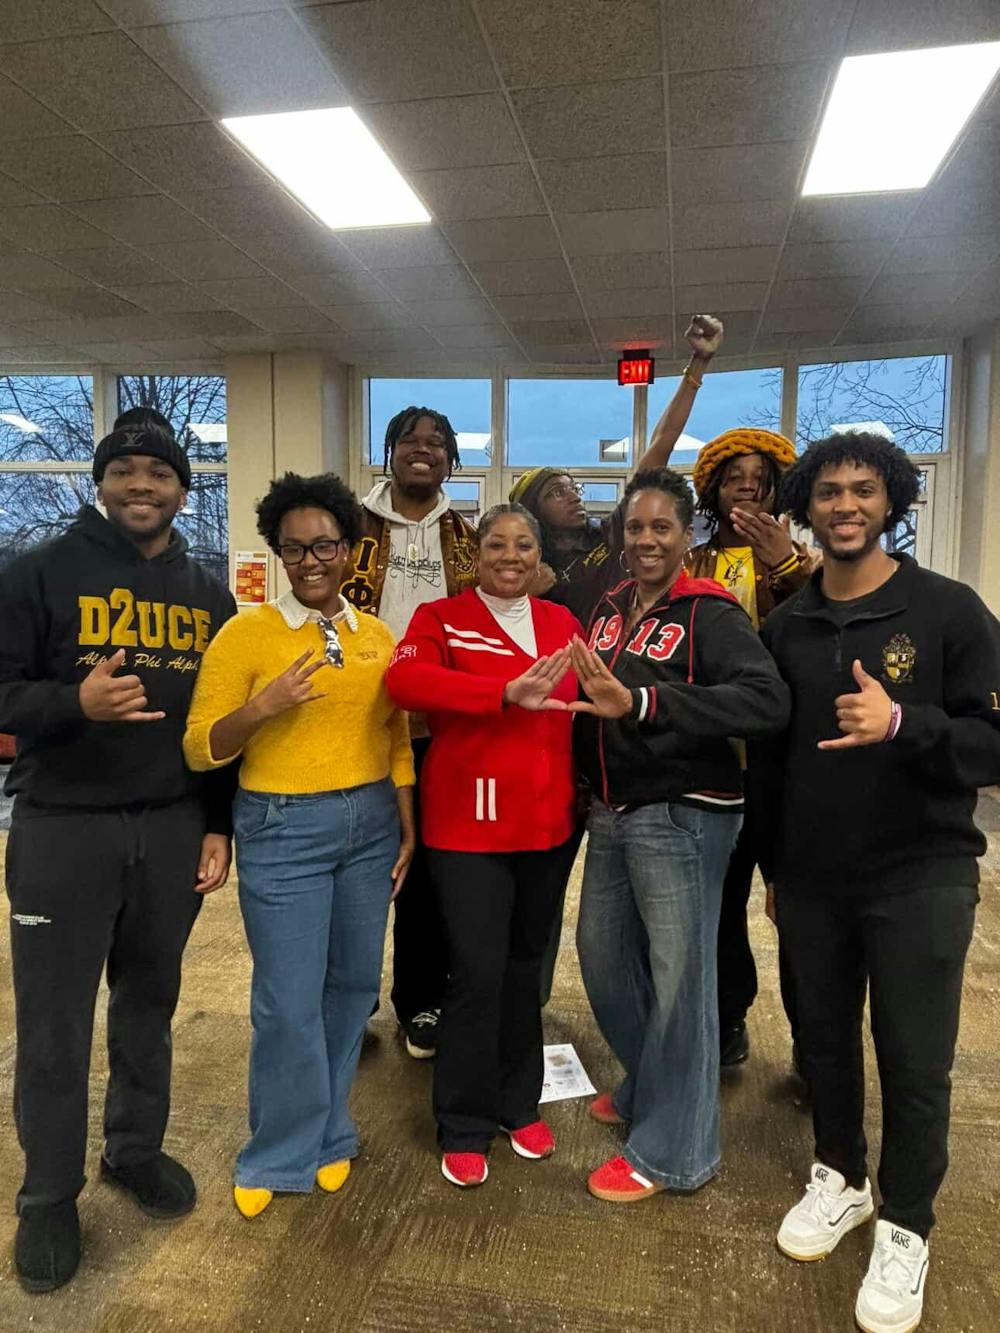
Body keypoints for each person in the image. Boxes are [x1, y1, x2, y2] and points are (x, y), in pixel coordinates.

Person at [752, 432, 1000, 1333]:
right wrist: (776, 870)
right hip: (814, 878)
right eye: (827, 492)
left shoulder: (949, 611)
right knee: (821, 1041)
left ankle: (906, 1221)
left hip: (921, 872)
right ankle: (841, 1176)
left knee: (913, 1054)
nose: (844, 505)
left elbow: (994, 742)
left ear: (892, 501)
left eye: (862, 490)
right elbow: (771, 769)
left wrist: (906, 721)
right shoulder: (785, 628)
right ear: (805, 508)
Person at [0, 424, 236, 1293]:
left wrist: (220, 822)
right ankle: (47, 1195)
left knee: (149, 1004)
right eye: (125, 470)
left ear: (184, 487)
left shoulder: (210, 594)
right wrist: (74, 700)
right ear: (103, 483)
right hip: (65, 826)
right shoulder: (38, 570)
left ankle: (133, 1149)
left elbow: (220, 727)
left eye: (161, 471)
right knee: (56, 1025)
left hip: (172, 824)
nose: (143, 483)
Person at [184, 472, 415, 1220]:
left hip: (371, 820)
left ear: (350, 548)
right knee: (287, 1001)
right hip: (282, 826)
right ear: (278, 552)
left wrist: (407, 819)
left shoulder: (375, 634)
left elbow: (395, 733)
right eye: (294, 548)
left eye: (325, 545)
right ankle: (277, 1151)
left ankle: (329, 1131)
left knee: (349, 988)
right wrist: (263, 705)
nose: (310, 560)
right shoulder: (245, 634)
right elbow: (199, 749)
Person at [569, 467, 790, 1204]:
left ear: (688, 532)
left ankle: (675, 1151)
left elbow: (765, 700)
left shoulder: (711, 610)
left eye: (662, 526)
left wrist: (645, 700)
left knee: (682, 986)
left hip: (684, 812)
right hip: (612, 810)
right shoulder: (607, 608)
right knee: (602, 960)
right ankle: (652, 1085)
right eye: (635, 527)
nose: (647, 539)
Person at [385, 504, 581, 1188]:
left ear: (538, 555)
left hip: (547, 825)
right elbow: (403, 683)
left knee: (527, 969)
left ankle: (517, 1100)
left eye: (524, 544)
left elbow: (592, 697)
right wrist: (499, 690)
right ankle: (464, 1120)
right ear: (476, 553)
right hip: (467, 826)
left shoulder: (561, 621)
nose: (511, 554)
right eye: (496, 542)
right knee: (476, 970)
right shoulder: (439, 619)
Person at [340, 406, 478, 1060]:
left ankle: (420, 999)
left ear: (451, 459)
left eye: (438, 442)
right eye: (411, 441)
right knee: (361, 865)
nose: (424, 450)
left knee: (424, 872)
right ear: (388, 452)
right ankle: (349, 999)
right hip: (360, 723)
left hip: (439, 729)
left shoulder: (468, 535)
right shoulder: (349, 527)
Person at [686, 426, 812, 1067]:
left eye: (758, 473)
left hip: (788, 759)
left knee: (798, 903)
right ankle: (727, 1016)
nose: (746, 482)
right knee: (723, 900)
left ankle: (813, 1042)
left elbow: (818, 627)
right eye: (733, 474)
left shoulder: (804, 557)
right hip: (717, 760)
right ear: (714, 488)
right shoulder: (696, 562)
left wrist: (785, 563)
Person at [510, 315, 725, 625]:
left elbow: (660, 444)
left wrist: (698, 364)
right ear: (531, 509)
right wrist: (520, 593)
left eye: (573, 488)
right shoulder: (531, 567)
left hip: (630, 653)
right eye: (557, 492)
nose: (573, 497)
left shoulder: (610, 534)